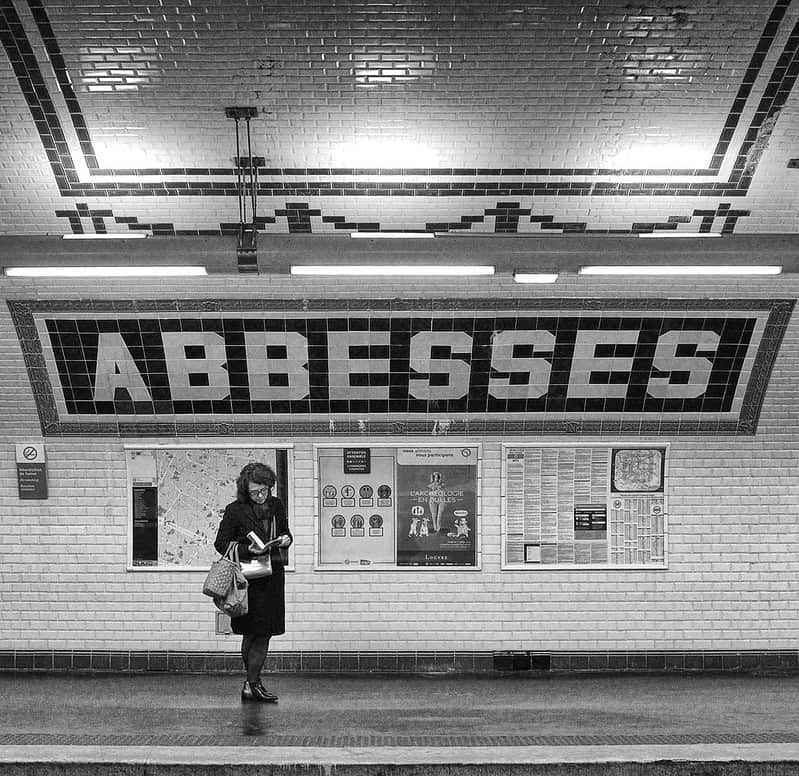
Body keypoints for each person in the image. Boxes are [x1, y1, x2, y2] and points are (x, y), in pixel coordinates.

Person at [214, 462, 292, 703]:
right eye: (255, 492)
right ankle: (253, 684)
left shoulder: (276, 505)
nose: (260, 496)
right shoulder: (235, 510)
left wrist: (286, 539)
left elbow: (286, 531)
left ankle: (251, 684)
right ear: (245, 491)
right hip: (248, 581)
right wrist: (250, 549)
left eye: (264, 490)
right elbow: (221, 543)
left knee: (263, 633)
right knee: (252, 634)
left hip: (272, 578)